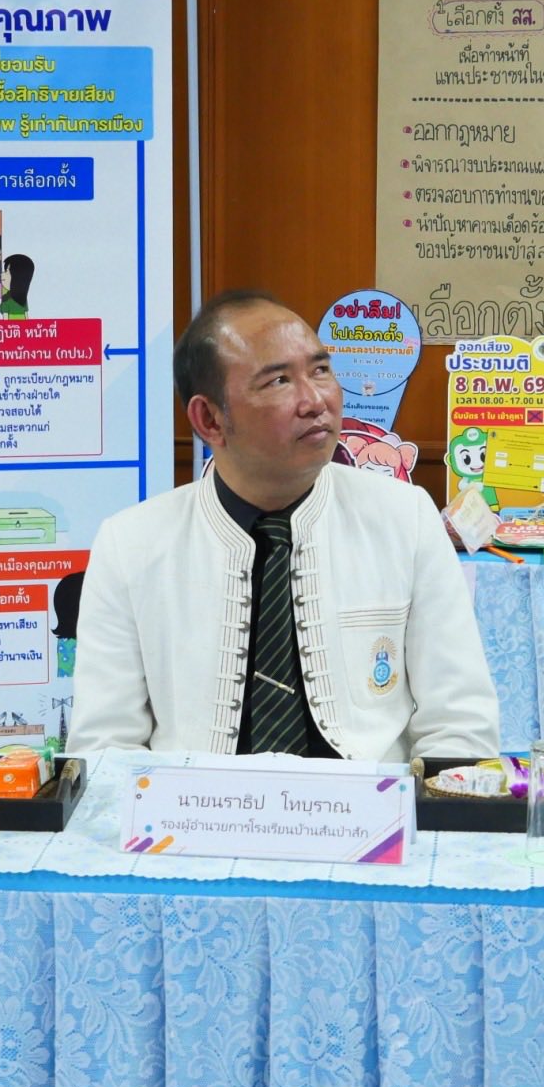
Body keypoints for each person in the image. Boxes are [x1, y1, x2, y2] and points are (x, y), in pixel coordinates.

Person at [69, 290, 499, 761]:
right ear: (209, 419)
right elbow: (105, 748)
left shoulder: (405, 518)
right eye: (278, 381)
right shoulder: (131, 544)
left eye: (321, 370)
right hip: (195, 804)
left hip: (367, 800)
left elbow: (460, 725)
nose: (315, 400)